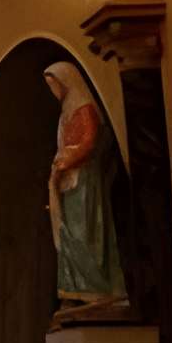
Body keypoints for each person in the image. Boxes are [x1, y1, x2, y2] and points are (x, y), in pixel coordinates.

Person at [44, 62, 126, 309]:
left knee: (85, 233)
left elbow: (90, 142)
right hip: (68, 180)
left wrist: (68, 158)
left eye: (54, 84)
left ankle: (98, 287)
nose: (53, 90)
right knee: (69, 234)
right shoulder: (65, 113)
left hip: (85, 180)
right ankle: (78, 289)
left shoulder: (84, 109)